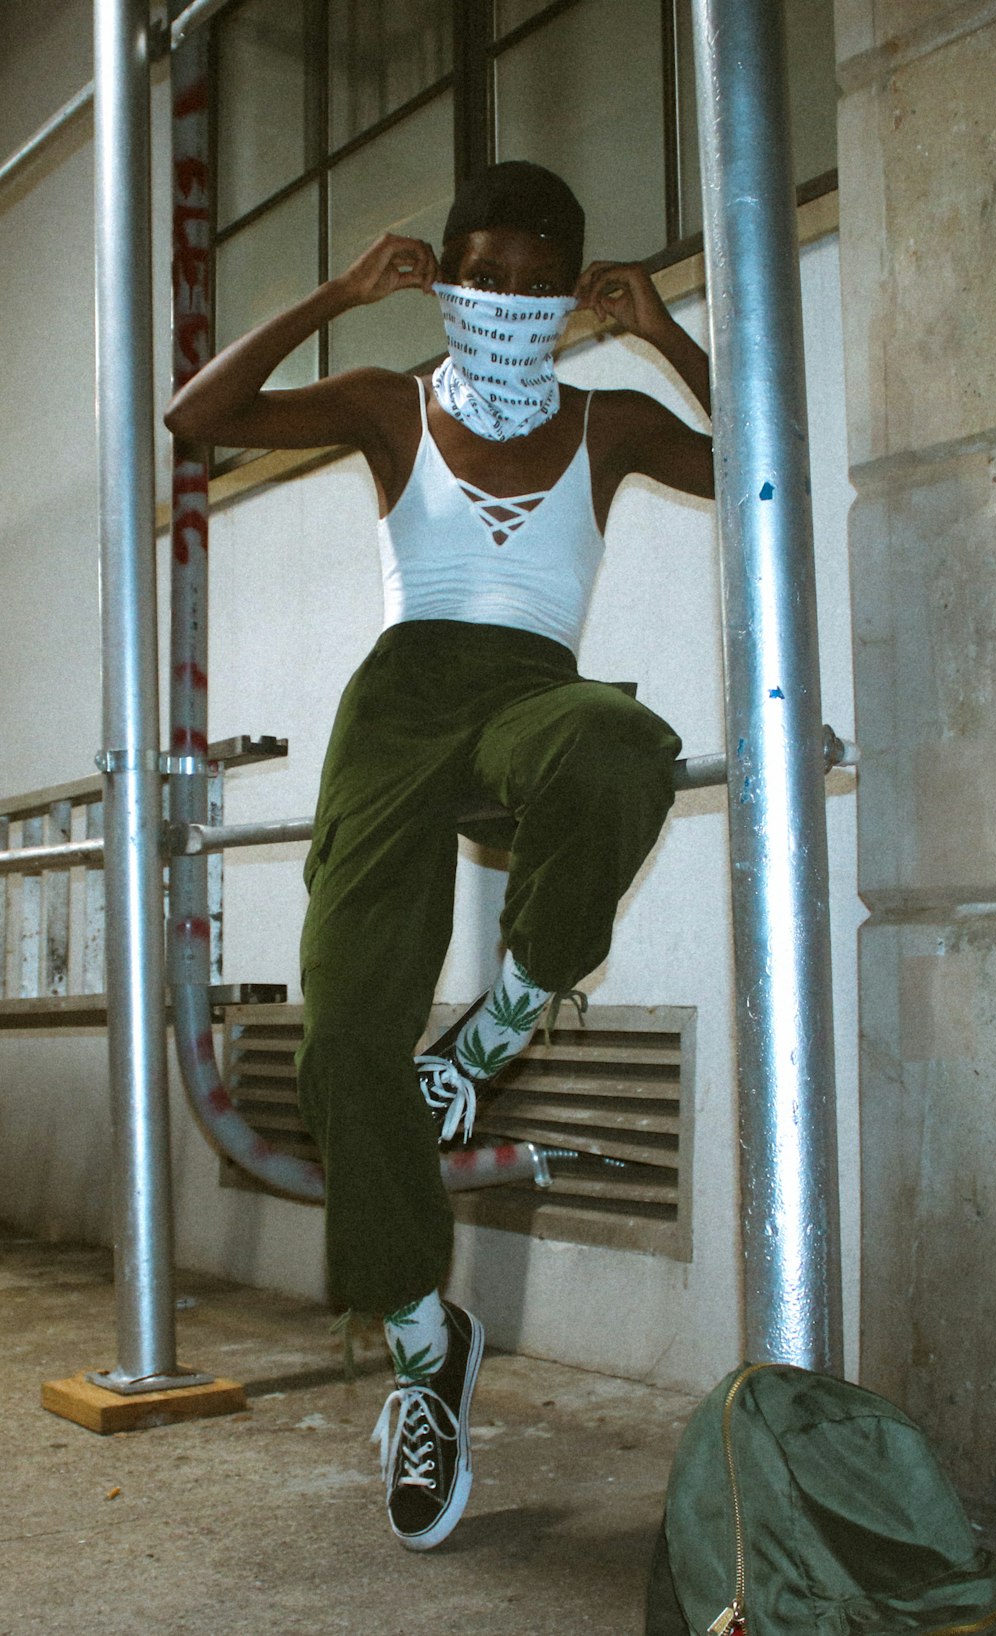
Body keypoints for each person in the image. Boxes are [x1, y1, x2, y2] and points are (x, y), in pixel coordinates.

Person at [165, 161, 713, 1553]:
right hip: (401, 707)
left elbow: (768, 462)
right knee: (346, 1034)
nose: (508, 300)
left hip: (533, 698)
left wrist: (663, 333)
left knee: (618, 742)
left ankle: (494, 1033)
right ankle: (424, 1346)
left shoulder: (612, 422)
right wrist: (340, 297)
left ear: (577, 286)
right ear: (450, 280)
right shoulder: (390, 405)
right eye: (484, 277)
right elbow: (199, 416)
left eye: (539, 281)